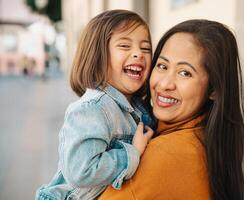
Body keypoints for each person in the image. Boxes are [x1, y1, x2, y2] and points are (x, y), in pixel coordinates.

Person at [99, 19, 244, 200]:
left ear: (214, 89)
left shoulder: (166, 154)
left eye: (185, 72)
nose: (164, 84)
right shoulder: (211, 138)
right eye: (162, 66)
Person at [36, 9, 156, 200]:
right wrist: (132, 153)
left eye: (146, 48)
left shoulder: (139, 107)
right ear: (98, 56)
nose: (138, 54)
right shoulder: (92, 108)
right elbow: (81, 171)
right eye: (125, 45)